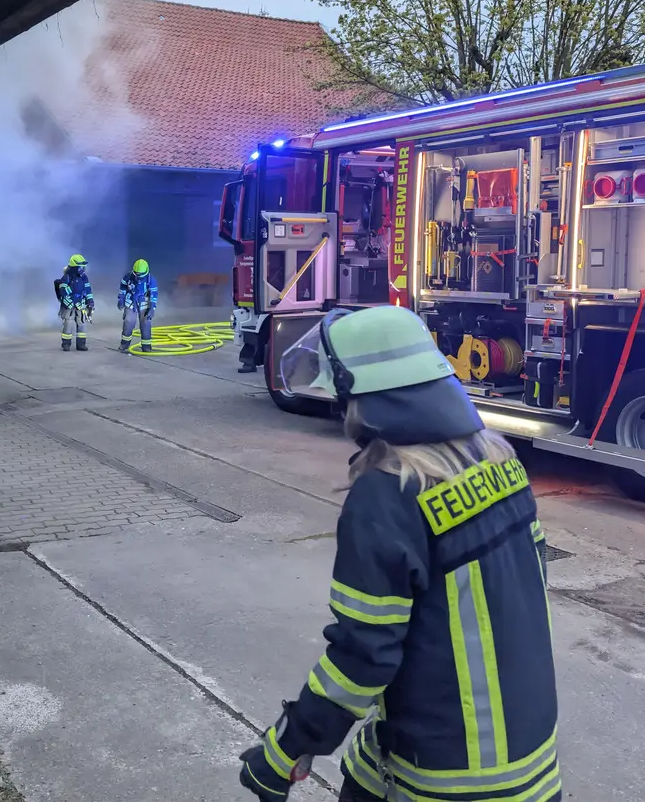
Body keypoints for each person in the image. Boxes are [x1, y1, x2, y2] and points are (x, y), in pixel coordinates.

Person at [237, 305, 560, 802]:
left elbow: (363, 656)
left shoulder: (388, 496)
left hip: (447, 777)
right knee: (364, 769)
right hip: (529, 765)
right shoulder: (499, 460)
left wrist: (284, 751)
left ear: (363, 401)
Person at [116, 258, 159, 353]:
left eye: (141, 276)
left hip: (145, 305)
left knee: (146, 324)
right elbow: (122, 289)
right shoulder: (127, 277)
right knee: (128, 322)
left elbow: (154, 295)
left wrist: (152, 308)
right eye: (136, 275)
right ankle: (124, 344)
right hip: (131, 302)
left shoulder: (151, 280)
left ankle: (146, 346)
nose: (138, 278)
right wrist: (121, 300)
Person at [57, 254, 95, 351]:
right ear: (74, 267)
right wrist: (71, 288)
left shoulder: (84, 277)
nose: (82, 269)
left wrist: (90, 302)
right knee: (68, 324)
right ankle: (66, 344)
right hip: (68, 305)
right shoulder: (66, 277)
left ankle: (81, 344)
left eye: (83, 266)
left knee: (82, 324)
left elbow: (88, 290)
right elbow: (62, 291)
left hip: (80, 305)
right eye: (80, 266)